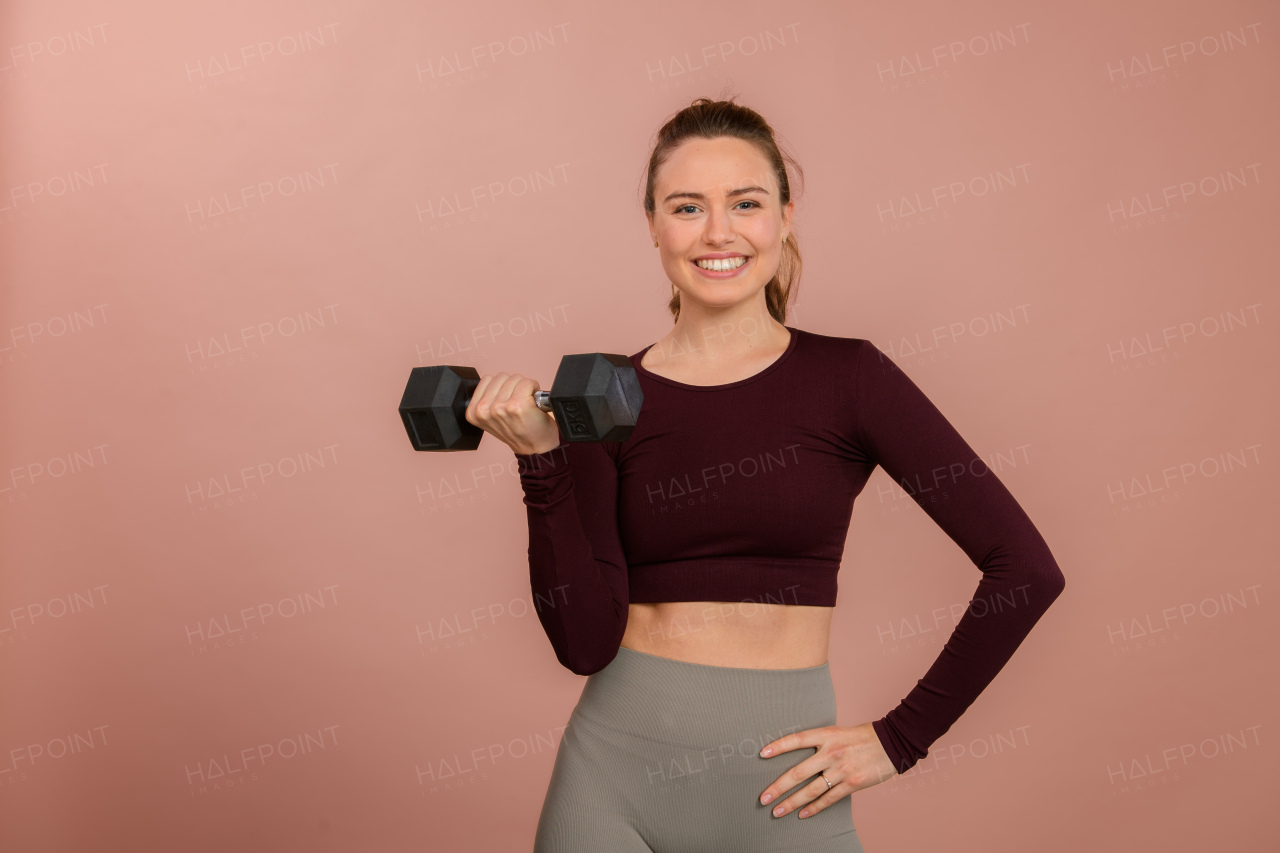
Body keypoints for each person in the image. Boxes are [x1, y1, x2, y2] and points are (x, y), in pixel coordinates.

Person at [464, 96, 1066, 852]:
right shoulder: (606, 391)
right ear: (652, 224)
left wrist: (898, 739)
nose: (718, 232)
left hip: (780, 792)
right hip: (609, 775)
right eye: (687, 207)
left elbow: (1027, 570)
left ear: (784, 216)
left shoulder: (850, 378)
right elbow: (584, 643)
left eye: (745, 203)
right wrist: (540, 460)